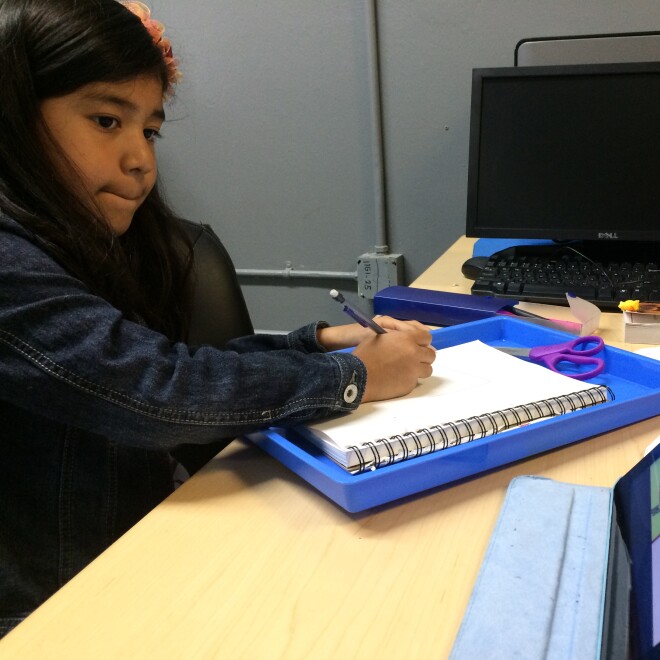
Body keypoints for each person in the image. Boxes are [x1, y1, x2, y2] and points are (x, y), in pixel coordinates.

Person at [0, 0, 435, 637]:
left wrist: (314, 345)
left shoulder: (82, 242)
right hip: (55, 613)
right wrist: (352, 376)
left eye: (148, 130)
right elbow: (155, 390)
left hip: (136, 550)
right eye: (105, 119)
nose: (139, 159)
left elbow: (154, 362)